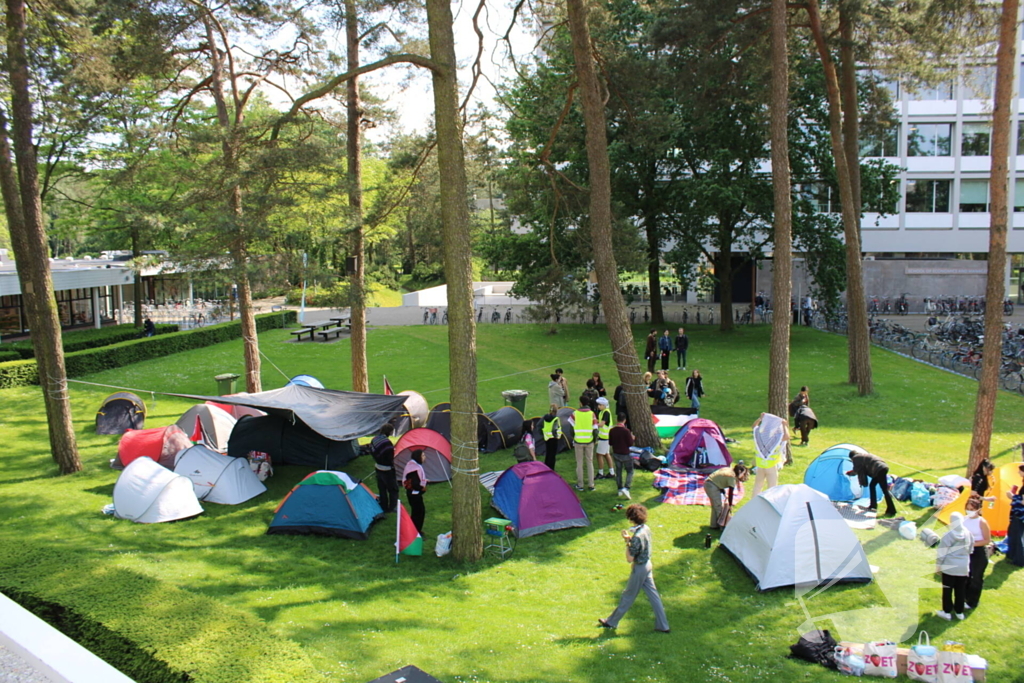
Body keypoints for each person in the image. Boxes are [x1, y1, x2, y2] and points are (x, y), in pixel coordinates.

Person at [598, 504, 670, 633]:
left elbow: (629, 558)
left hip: (640, 569)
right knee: (654, 597)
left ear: (632, 518)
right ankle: (663, 625)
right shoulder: (645, 529)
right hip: (647, 564)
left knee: (628, 595)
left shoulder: (636, 537)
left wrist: (627, 542)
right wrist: (631, 540)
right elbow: (640, 546)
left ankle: (611, 622)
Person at [935, 511, 973, 620]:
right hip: (963, 567)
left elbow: (942, 552)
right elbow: (971, 549)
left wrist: (938, 566)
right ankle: (959, 612)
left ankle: (947, 611)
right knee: (960, 590)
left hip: (949, 567)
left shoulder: (948, 535)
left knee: (947, 590)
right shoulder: (968, 533)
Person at [846, 450, 896, 517]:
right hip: (882, 468)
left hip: (879, 469)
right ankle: (873, 506)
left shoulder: (856, 458)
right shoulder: (862, 455)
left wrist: (849, 473)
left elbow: (856, 470)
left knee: (884, 490)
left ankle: (892, 510)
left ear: (851, 457)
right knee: (872, 485)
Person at [963, 493, 991, 610]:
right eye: (967, 509)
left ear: (978, 509)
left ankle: (973, 602)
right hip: (966, 551)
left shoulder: (982, 522)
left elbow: (987, 540)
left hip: (978, 552)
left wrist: (972, 544)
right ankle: (964, 597)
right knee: (966, 576)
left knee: (976, 577)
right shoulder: (964, 520)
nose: (969, 511)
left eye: (972, 509)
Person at [752, 413, 788, 496]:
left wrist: (760, 419)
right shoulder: (775, 439)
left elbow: (754, 427)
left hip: (760, 465)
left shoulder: (760, 436)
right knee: (772, 487)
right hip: (771, 466)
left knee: (757, 485)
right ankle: (770, 502)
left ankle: (753, 502)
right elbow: (786, 437)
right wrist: (784, 425)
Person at [704, 463, 749, 530]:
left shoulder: (729, 470)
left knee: (715, 506)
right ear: (739, 472)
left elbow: (719, 477)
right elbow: (731, 492)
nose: (743, 475)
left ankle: (714, 525)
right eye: (743, 473)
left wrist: (721, 488)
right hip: (712, 486)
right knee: (718, 507)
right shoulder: (732, 477)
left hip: (709, 483)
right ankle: (723, 526)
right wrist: (730, 505)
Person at [569, 396, 597, 492]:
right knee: (590, 462)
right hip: (589, 441)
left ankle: (580, 485)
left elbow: (570, 429)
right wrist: (594, 439)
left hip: (578, 441)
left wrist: (574, 437)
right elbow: (595, 429)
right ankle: (591, 484)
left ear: (580, 403)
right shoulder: (592, 414)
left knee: (579, 463)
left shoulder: (575, 414)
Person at [370, 424, 398, 513]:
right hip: (387, 470)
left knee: (382, 489)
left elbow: (372, 451)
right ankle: (392, 507)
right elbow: (390, 457)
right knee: (393, 489)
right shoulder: (387, 443)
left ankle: (384, 506)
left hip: (378, 467)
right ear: (389, 432)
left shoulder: (374, 439)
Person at [609, 413, 634, 499]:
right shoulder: (626, 431)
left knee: (618, 472)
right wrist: (632, 438)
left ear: (617, 420)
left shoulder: (612, 430)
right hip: (625, 454)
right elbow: (630, 443)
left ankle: (620, 488)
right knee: (630, 471)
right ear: (625, 420)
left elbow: (610, 443)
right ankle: (626, 487)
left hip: (616, 453)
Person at [403, 449, 427, 533]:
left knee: (416, 512)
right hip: (414, 494)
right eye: (423, 456)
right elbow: (414, 483)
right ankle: (416, 531)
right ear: (418, 457)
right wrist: (422, 488)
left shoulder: (411, 466)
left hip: (411, 493)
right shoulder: (415, 468)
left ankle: (414, 530)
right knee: (419, 512)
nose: (425, 457)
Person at [1006, 464, 1024, 567]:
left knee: (1018, 537)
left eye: (1020, 471)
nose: (1019, 473)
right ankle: (1013, 556)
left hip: (1020, 515)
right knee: (1014, 534)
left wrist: (1013, 497)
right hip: (1019, 515)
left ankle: (1019, 560)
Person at [594, 397, 614, 481]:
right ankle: (611, 472)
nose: (598, 406)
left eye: (600, 405)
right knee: (606, 454)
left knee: (599, 455)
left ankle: (601, 473)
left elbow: (602, 424)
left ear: (604, 405)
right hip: (606, 437)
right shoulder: (603, 412)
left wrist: (593, 425)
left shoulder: (606, 412)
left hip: (604, 437)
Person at [541, 405, 562, 470]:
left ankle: (546, 466)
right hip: (553, 438)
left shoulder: (545, 417)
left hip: (547, 437)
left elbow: (539, 425)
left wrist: (542, 433)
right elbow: (554, 429)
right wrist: (556, 436)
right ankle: (551, 468)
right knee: (552, 455)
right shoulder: (556, 419)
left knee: (548, 453)